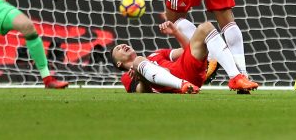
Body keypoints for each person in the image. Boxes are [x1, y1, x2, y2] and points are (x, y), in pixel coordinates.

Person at [111, 21, 258, 94]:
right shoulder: (127, 76)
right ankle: (182, 85)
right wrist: (141, 77)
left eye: (123, 44)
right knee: (138, 61)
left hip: (186, 70)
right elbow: (143, 92)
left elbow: (186, 50)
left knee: (205, 27)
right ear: (118, 63)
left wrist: (175, 32)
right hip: (174, 84)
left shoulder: (156, 54)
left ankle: (236, 77)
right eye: (118, 48)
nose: (123, 46)